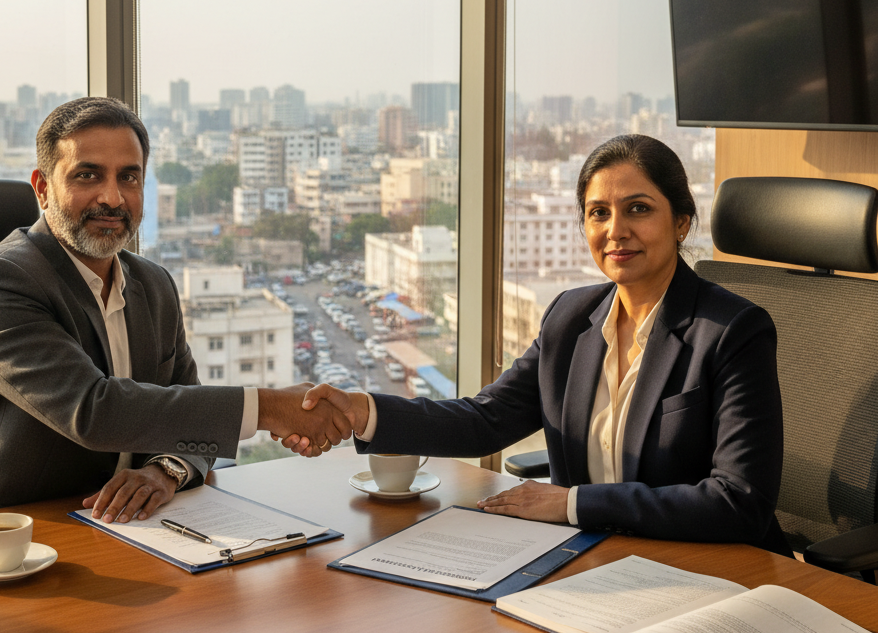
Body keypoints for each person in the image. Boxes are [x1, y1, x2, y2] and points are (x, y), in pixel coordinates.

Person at [299, 134, 790, 554]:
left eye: (638, 209)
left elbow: (738, 502)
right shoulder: (569, 319)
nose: (616, 230)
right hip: (592, 559)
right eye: (598, 213)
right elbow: (484, 421)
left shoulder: (732, 331)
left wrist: (570, 503)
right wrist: (361, 411)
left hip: (712, 570)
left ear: (681, 222)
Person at [0, 97, 350, 522]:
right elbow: (95, 411)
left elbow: (189, 411)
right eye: (88, 175)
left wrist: (164, 471)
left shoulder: (154, 284)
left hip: (126, 528)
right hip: (2, 533)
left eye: (129, 177)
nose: (112, 197)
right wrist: (272, 408)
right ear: (42, 188)